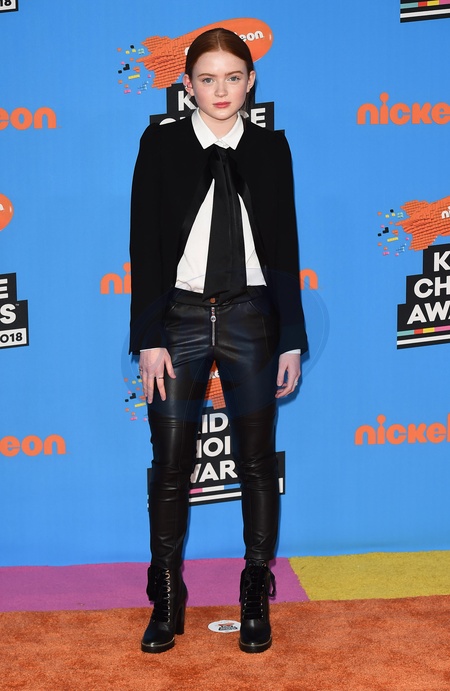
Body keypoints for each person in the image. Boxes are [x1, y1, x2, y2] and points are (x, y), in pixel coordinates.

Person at [129, 27, 308, 655]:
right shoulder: (160, 143)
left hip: (250, 318)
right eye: (207, 79)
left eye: (233, 77)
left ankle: (255, 591)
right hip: (177, 319)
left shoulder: (271, 148)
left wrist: (291, 336)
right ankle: (166, 596)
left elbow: (285, 245)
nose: (221, 90)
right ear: (187, 86)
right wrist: (148, 336)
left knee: (257, 463)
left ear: (251, 82)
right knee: (170, 464)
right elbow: (143, 243)